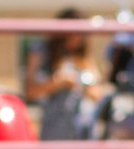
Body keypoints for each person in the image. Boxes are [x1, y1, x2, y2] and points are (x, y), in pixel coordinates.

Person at [24, 7, 103, 139]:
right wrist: (58, 83)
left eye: (81, 34)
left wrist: (85, 85)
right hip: (55, 128)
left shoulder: (84, 58)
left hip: (82, 129)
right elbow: (30, 92)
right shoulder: (42, 51)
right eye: (72, 32)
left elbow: (98, 95)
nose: (76, 38)